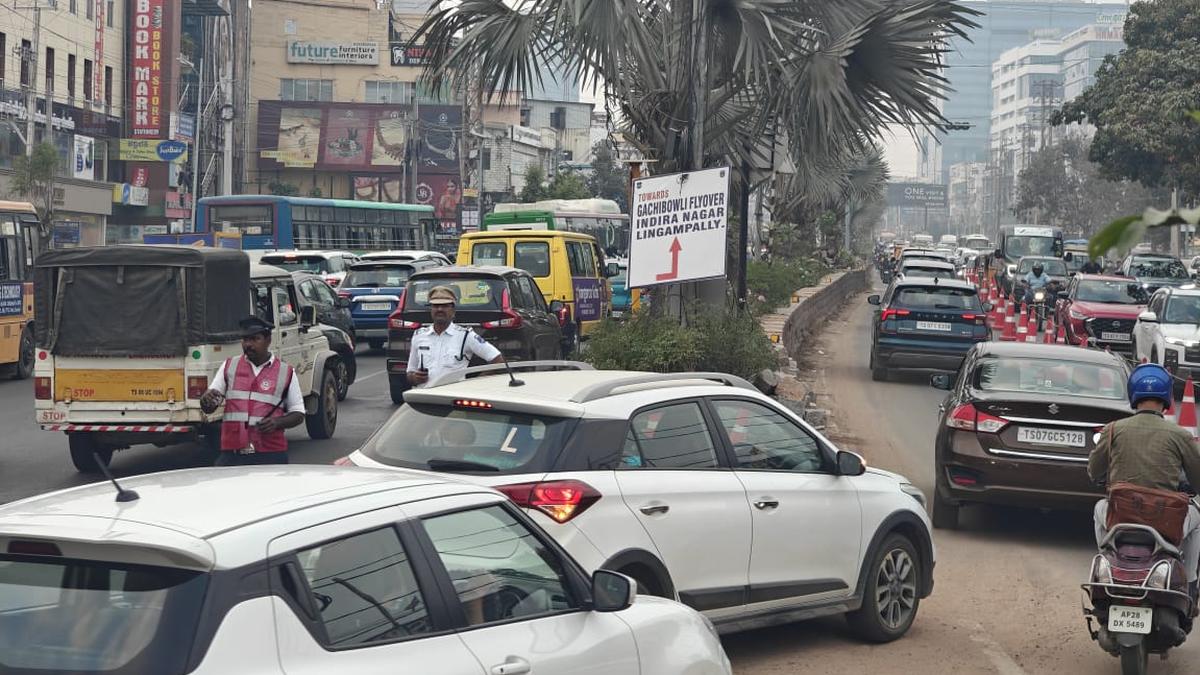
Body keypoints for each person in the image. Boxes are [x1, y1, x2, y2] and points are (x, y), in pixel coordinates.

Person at [1089, 363, 1200, 597]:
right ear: (1167, 397)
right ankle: (1189, 583)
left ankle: (1106, 558)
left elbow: (1093, 471)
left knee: (1100, 507)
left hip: (1121, 515)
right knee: (1197, 519)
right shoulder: (1180, 435)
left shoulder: (1113, 430)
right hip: (1167, 519)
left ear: (1133, 395)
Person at [200, 316, 306, 465]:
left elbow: (299, 413)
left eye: (255, 339)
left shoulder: (285, 372)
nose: (248, 344)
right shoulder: (229, 366)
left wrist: (277, 423)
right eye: (245, 339)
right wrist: (206, 401)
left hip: (270, 453)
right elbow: (209, 407)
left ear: (268, 340)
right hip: (233, 453)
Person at [407, 286, 505, 388]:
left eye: (445, 306)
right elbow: (410, 372)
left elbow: (498, 360)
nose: (439, 309)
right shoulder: (419, 335)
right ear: (431, 310)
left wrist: (474, 384)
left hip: (453, 398)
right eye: (435, 306)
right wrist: (414, 378)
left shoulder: (466, 335)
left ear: (453, 310)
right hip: (424, 397)